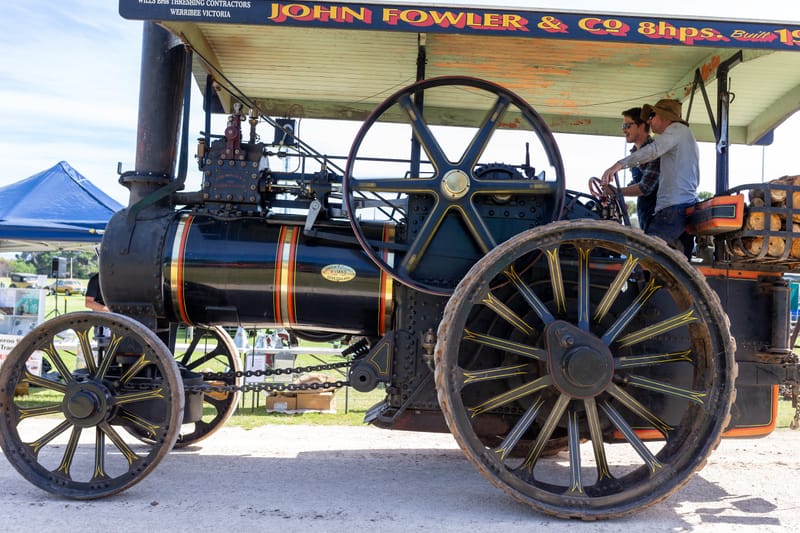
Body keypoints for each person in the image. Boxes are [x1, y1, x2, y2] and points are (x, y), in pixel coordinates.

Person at [601, 99, 699, 259]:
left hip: (673, 209)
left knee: (645, 258)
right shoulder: (681, 135)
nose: (648, 121)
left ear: (665, 117)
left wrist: (619, 165)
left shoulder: (677, 130)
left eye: (652, 116)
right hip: (677, 207)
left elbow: (652, 152)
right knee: (670, 263)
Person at [616, 107, 660, 232]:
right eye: (623, 126)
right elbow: (637, 182)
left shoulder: (654, 152)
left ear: (641, 126)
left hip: (658, 216)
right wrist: (612, 191)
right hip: (646, 215)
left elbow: (645, 188)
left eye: (627, 126)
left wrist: (616, 191)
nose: (624, 130)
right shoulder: (635, 153)